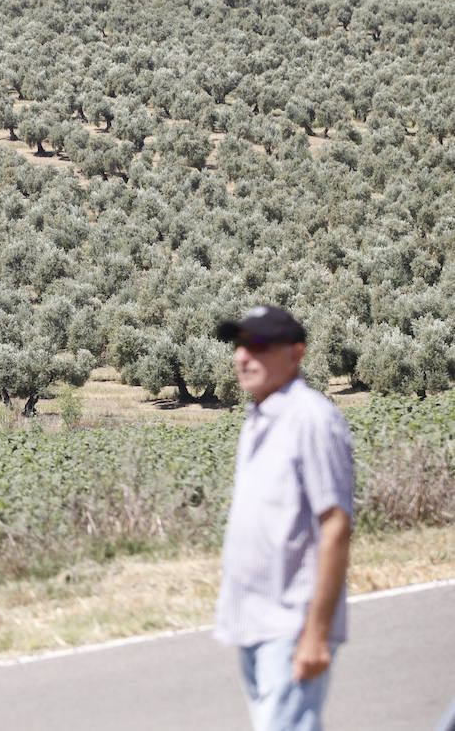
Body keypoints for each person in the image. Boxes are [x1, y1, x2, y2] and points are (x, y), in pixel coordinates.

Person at [213, 305, 354, 731]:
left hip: (292, 622)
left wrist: (315, 633)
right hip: (253, 620)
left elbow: (336, 525)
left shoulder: (311, 419)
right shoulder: (259, 419)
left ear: (296, 353)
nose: (243, 357)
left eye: (258, 345)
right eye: (240, 345)